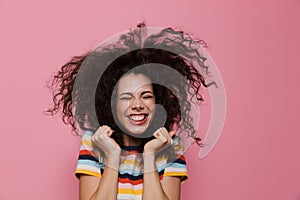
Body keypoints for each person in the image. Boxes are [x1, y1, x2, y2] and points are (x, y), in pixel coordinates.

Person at [46, 23, 212, 200]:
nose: (137, 104)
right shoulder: (94, 142)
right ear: (111, 105)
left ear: (158, 102)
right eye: (126, 97)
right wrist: (112, 156)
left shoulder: (170, 145)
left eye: (146, 96)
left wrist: (149, 155)